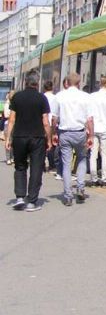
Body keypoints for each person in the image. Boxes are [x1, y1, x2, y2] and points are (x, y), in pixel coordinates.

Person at [5, 71, 51, 211]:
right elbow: (45, 122)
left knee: (20, 166)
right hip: (37, 138)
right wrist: (48, 139)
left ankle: (19, 198)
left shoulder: (17, 97)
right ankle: (31, 202)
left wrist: (8, 138)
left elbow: (11, 119)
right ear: (37, 83)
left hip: (19, 137)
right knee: (36, 168)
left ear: (25, 82)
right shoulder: (41, 98)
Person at [53, 72, 94, 206]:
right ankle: (80, 188)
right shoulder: (86, 97)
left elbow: (54, 118)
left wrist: (54, 133)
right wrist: (91, 136)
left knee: (66, 164)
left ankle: (68, 195)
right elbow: (89, 119)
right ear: (79, 83)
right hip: (80, 133)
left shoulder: (59, 96)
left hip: (64, 133)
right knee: (82, 159)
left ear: (67, 83)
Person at [89, 76, 106, 187]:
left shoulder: (92, 97)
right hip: (105, 128)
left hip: (94, 128)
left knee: (93, 154)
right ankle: (104, 179)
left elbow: (88, 114)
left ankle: (94, 179)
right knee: (105, 154)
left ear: (100, 84)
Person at [43, 80, 57, 172]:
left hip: (43, 122)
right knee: (52, 143)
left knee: (43, 143)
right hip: (53, 123)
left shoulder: (42, 97)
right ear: (52, 87)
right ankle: (52, 164)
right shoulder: (56, 97)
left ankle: (42, 163)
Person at [4, 90, 15, 165]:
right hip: (8, 124)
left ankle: (12, 157)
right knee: (8, 141)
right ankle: (8, 158)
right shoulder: (7, 104)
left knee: (13, 142)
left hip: (16, 125)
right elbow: (6, 115)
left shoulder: (16, 103)